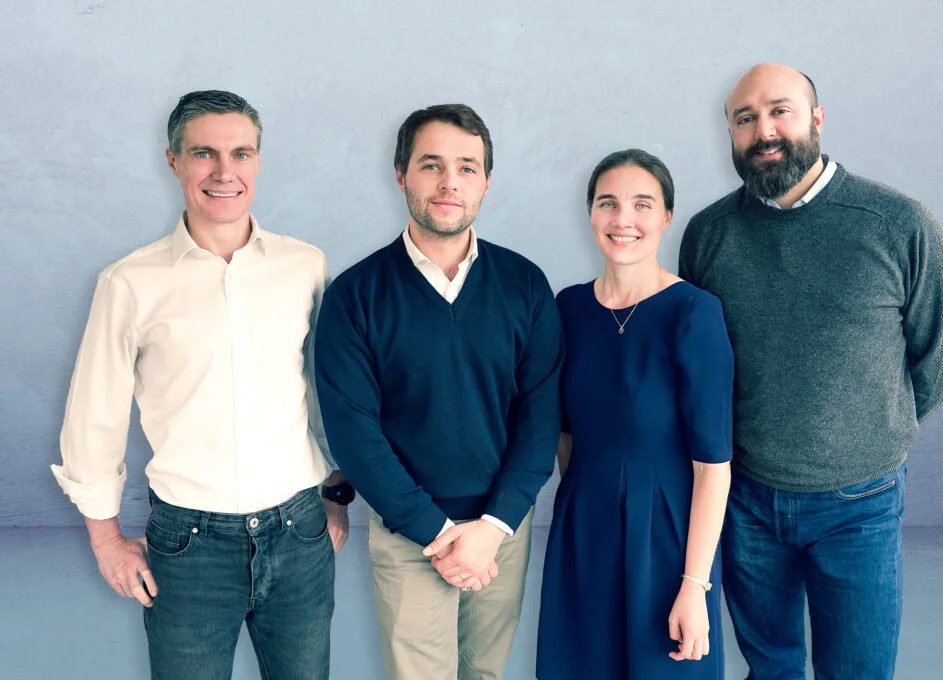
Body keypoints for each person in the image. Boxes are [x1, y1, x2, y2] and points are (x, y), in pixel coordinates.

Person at [679, 64, 943, 680]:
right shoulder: (708, 235)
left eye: (780, 111)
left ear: (817, 118)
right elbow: (698, 368)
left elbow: (941, 359)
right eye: (745, 118)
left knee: (858, 671)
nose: (764, 130)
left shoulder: (899, 224)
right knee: (771, 669)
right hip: (746, 500)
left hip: (859, 503)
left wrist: (866, 429)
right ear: (730, 132)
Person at [50, 90, 351, 680]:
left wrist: (333, 495)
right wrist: (105, 539)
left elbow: (325, 391)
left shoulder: (304, 266)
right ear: (174, 161)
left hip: (300, 533)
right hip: (188, 546)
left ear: (258, 161)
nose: (224, 172)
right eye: (204, 153)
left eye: (240, 154)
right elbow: (94, 414)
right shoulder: (130, 282)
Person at [314, 103, 564, 680]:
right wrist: (439, 533)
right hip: (409, 533)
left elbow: (540, 417)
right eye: (431, 165)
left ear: (486, 181)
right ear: (401, 174)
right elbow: (354, 434)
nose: (450, 182)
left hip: (502, 530)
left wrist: (493, 527)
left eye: (467, 167)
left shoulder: (525, 284)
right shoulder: (355, 295)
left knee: (485, 675)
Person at [537, 149, 734, 679]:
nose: (623, 219)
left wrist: (695, 585)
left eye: (642, 204)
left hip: (668, 536)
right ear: (590, 214)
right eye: (608, 203)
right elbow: (564, 435)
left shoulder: (694, 312)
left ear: (666, 216)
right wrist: (587, 503)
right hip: (584, 525)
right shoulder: (568, 308)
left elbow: (713, 467)